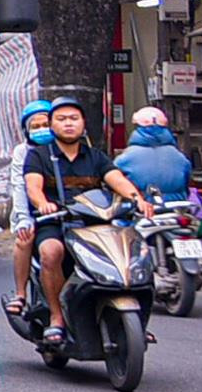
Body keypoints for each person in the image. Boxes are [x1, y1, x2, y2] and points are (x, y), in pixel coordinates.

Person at [21, 97, 150, 351]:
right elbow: (33, 187)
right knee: (51, 252)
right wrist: (43, 203)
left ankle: (133, 321)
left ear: (83, 124)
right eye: (61, 119)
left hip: (92, 225)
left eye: (73, 118)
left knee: (132, 250)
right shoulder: (39, 156)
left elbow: (117, 180)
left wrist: (138, 199)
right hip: (55, 222)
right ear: (51, 124)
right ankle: (57, 317)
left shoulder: (96, 157)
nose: (68, 124)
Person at [5, 99, 55, 311]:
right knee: (24, 240)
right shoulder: (22, 152)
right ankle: (20, 293)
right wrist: (25, 218)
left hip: (66, 211)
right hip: (33, 211)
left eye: (46, 124)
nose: (42, 130)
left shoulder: (65, 147)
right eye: (35, 126)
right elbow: (19, 186)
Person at [114, 106, 194, 208]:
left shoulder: (124, 159)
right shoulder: (180, 158)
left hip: (143, 212)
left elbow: (113, 183)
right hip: (177, 211)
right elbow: (186, 185)